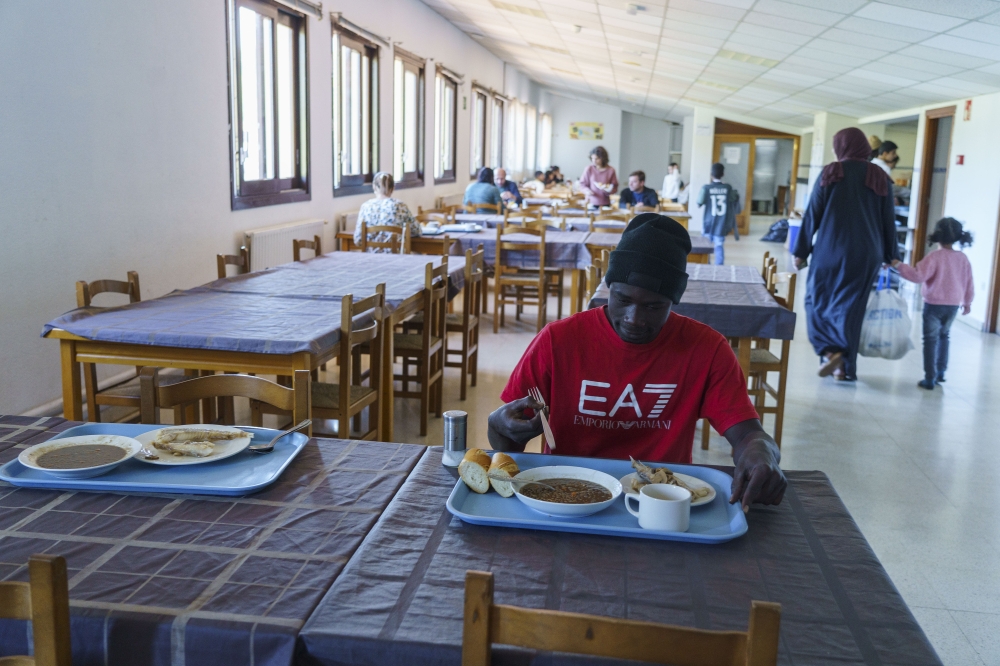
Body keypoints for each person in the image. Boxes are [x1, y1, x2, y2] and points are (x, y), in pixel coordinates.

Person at [486, 213, 786, 510]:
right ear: (608, 289)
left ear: (673, 301)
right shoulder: (558, 341)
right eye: (622, 300)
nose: (634, 319)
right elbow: (508, 447)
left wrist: (762, 453)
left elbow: (748, 434)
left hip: (660, 500)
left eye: (654, 306)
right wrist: (498, 427)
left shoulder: (707, 350)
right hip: (565, 496)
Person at [793, 127, 898, 381]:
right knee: (852, 309)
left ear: (842, 147)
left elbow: (812, 215)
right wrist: (891, 255)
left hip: (830, 250)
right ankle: (844, 368)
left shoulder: (831, 172)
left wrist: (801, 251)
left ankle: (830, 353)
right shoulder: (879, 176)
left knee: (816, 302)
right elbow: (888, 220)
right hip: (866, 255)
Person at [892, 218, 974, 390]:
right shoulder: (963, 258)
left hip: (934, 305)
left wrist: (899, 265)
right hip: (952, 306)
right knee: (945, 336)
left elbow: (917, 276)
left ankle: (929, 378)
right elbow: (968, 282)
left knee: (930, 340)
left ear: (937, 235)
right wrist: (967, 302)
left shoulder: (934, 257)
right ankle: (940, 372)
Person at [354, 172, 421, 252]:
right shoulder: (399, 205)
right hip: (395, 259)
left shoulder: (366, 206)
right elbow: (417, 231)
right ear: (393, 188)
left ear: (374, 187)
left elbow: (358, 240)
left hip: (371, 259)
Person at [696, 163, 741, 265]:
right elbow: (734, 198)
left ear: (711, 174)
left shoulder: (706, 188)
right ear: (723, 173)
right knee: (719, 246)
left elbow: (699, 203)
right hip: (721, 224)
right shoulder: (727, 188)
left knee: (705, 247)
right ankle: (719, 269)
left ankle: (705, 266)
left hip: (708, 222)